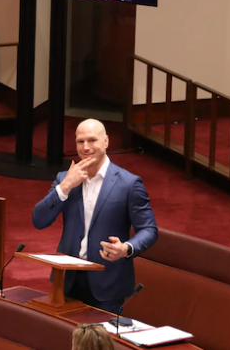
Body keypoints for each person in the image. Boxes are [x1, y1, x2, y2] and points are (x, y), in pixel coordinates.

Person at [32, 119, 157, 313]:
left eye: (92, 140)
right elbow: (39, 220)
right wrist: (65, 186)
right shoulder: (65, 179)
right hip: (67, 281)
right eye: (80, 141)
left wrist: (126, 248)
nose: (86, 147)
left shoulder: (129, 184)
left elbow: (149, 230)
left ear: (106, 141)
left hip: (107, 283)